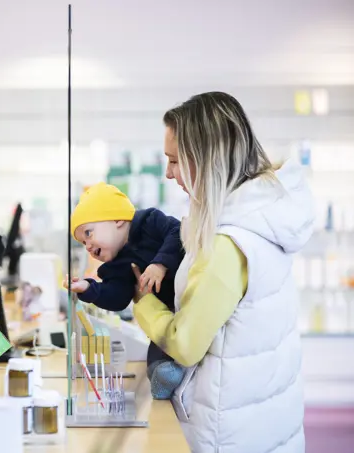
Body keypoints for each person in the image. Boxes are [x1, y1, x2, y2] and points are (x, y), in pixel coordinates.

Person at [131, 92, 313, 453]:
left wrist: (144, 302)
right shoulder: (259, 223)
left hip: (229, 433)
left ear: (206, 159)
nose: (168, 173)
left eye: (175, 161)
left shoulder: (229, 244)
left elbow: (185, 344)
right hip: (261, 423)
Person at [65, 182, 185, 399]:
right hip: (166, 314)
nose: (88, 247)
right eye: (83, 242)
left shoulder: (150, 221)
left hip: (189, 297)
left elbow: (178, 232)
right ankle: (161, 377)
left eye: (89, 233)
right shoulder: (117, 265)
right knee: (157, 350)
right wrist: (88, 289)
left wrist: (159, 264)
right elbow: (117, 298)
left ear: (118, 219)